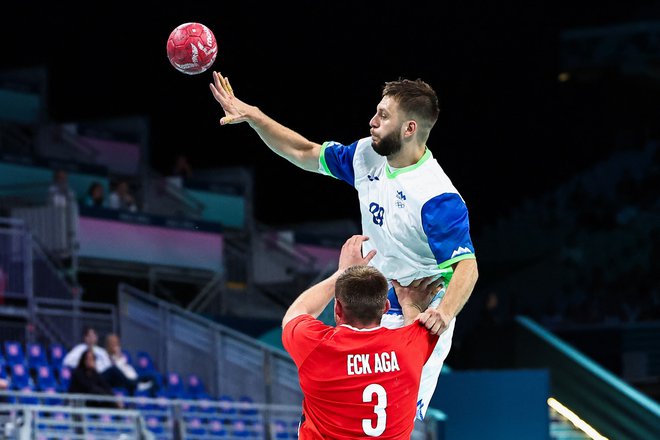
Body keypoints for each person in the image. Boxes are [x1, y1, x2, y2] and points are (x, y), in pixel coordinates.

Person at [210, 72, 479, 419]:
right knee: (344, 410)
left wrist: (439, 316)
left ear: (409, 129)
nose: (372, 121)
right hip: (372, 301)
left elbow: (467, 267)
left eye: (383, 116)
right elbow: (304, 152)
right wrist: (255, 118)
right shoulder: (367, 155)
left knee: (391, 420)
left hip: (417, 313)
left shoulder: (436, 197)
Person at [282, 235, 442, 439]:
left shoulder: (316, 347)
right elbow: (416, 328)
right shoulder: (410, 344)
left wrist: (340, 273)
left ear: (338, 308)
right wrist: (411, 306)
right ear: (385, 308)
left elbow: (295, 313)